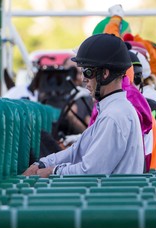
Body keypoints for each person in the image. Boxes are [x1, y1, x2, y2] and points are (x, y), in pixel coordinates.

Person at [22, 33, 144, 177]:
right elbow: (77, 151)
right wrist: (42, 163)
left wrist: (52, 171)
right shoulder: (111, 110)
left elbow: (91, 172)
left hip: (112, 197)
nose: (83, 79)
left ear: (105, 73)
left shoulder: (113, 116)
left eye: (87, 71)